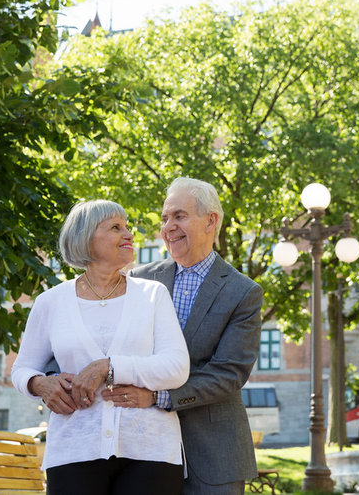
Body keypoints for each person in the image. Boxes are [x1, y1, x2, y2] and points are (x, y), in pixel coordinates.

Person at [11, 200, 190, 495]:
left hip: (150, 450)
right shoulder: (51, 302)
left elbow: (176, 368)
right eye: (116, 228)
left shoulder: (153, 294)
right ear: (86, 238)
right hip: (73, 449)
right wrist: (39, 384)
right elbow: (22, 369)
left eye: (128, 227)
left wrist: (109, 367)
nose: (129, 234)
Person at [102, 177, 263, 495]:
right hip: (142, 450)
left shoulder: (243, 292)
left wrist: (158, 397)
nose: (168, 227)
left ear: (210, 221)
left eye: (179, 216)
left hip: (213, 454)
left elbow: (228, 373)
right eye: (164, 218)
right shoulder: (137, 280)